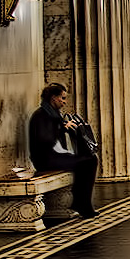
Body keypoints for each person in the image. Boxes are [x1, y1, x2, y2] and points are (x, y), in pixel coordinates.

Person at [28, 83, 100, 218]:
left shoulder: (53, 114)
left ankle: (82, 202)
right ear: (53, 98)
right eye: (63, 98)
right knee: (87, 162)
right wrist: (62, 127)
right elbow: (45, 139)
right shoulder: (41, 115)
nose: (64, 102)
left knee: (90, 159)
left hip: (56, 156)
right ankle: (82, 203)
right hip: (45, 160)